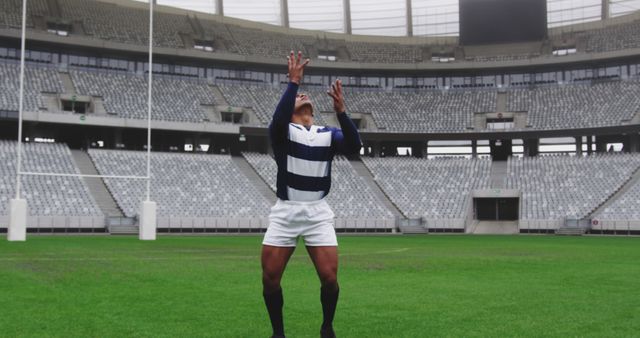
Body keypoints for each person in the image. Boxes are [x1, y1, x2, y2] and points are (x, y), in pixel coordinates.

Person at [261, 51, 362, 338]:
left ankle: (327, 327)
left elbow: (355, 146)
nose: (303, 95)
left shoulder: (327, 133)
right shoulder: (283, 131)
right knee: (270, 279)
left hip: (317, 213)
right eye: (298, 96)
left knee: (330, 278)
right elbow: (277, 120)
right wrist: (292, 83)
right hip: (286, 212)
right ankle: (278, 332)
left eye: (304, 93)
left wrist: (342, 113)